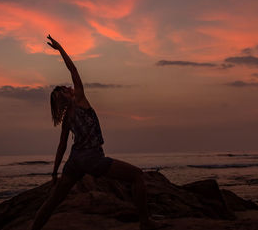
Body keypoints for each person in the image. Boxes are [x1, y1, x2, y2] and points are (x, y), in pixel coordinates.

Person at [30, 35, 165, 230]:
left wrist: (54, 172)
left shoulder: (67, 118)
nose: (71, 87)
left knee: (53, 201)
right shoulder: (80, 101)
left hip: (75, 161)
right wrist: (60, 49)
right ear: (67, 95)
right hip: (92, 158)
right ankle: (145, 223)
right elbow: (73, 69)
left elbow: (62, 146)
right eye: (67, 89)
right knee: (137, 175)